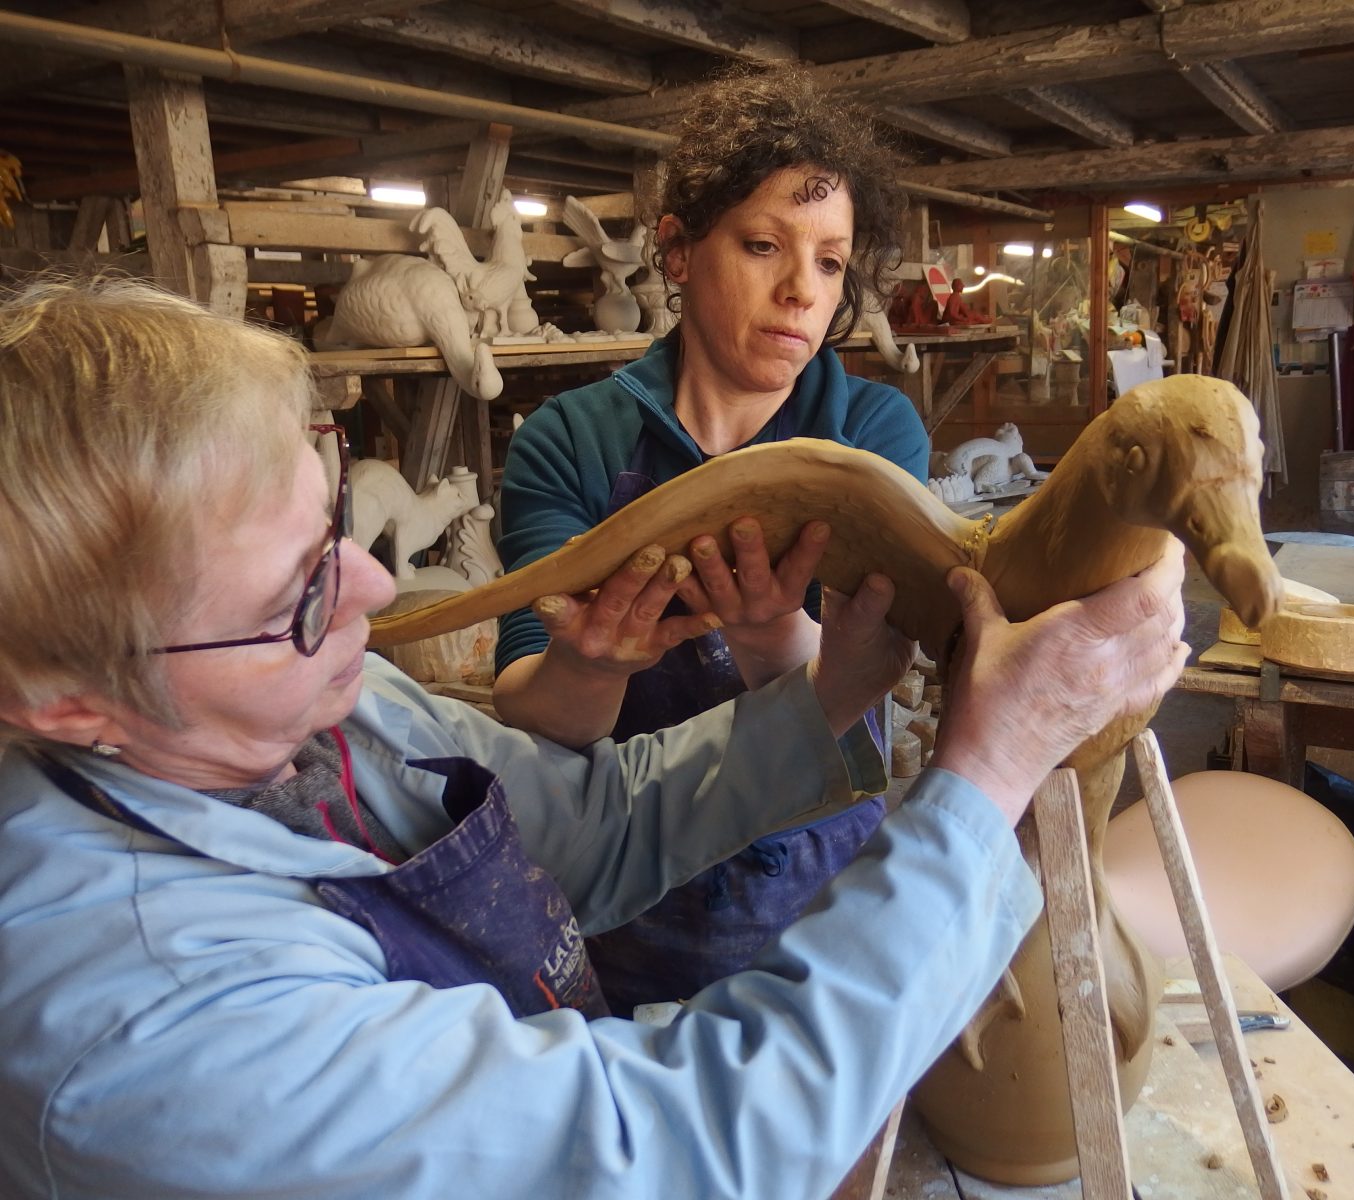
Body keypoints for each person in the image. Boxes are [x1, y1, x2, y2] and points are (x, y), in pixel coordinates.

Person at [0, 277, 1187, 1199]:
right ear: (66, 708)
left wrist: (833, 691)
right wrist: (988, 770)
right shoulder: (139, 1023)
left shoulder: (304, 705)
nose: (368, 589)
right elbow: (681, 1144)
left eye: (333, 527)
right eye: (291, 599)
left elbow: (581, 825)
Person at [495, 67, 933, 1013]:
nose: (799, 292)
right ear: (680, 250)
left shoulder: (874, 436)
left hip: (818, 878)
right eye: (764, 245)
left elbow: (868, 680)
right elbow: (531, 716)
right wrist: (589, 666)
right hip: (622, 892)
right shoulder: (572, 440)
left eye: (829, 261)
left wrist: (773, 635)